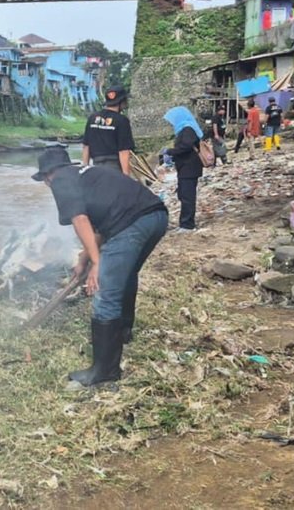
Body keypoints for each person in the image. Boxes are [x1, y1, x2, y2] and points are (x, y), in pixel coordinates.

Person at [32, 146, 167, 385]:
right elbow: (107, 224)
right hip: (155, 216)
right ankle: (123, 331)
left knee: (105, 292)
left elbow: (80, 220)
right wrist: (85, 257)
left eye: (44, 179)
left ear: (49, 174)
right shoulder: (88, 174)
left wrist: (96, 263)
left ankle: (104, 372)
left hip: (133, 224)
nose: (46, 184)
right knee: (125, 275)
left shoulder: (61, 180)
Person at [163, 107, 204, 231]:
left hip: (189, 167)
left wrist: (170, 151)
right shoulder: (184, 129)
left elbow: (185, 147)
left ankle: (187, 224)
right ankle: (184, 222)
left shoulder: (188, 129)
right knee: (183, 194)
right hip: (185, 167)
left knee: (187, 196)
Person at [81, 84, 134, 176]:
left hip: (96, 167)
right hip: (114, 168)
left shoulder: (92, 118)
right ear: (121, 101)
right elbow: (124, 151)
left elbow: (86, 146)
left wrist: (84, 168)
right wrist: (126, 177)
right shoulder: (122, 121)